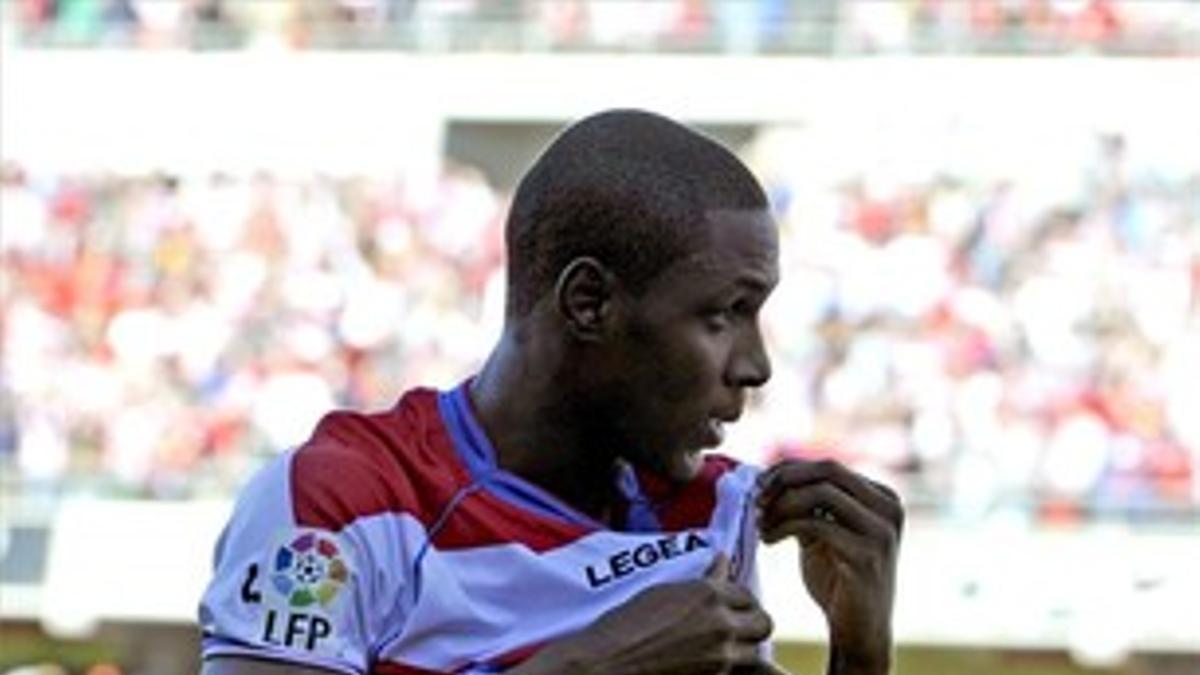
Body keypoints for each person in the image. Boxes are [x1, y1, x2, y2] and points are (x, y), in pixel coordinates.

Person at [199, 109, 902, 675]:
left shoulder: (711, 513)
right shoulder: (337, 502)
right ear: (590, 302)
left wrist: (861, 654)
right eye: (724, 315)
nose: (756, 365)